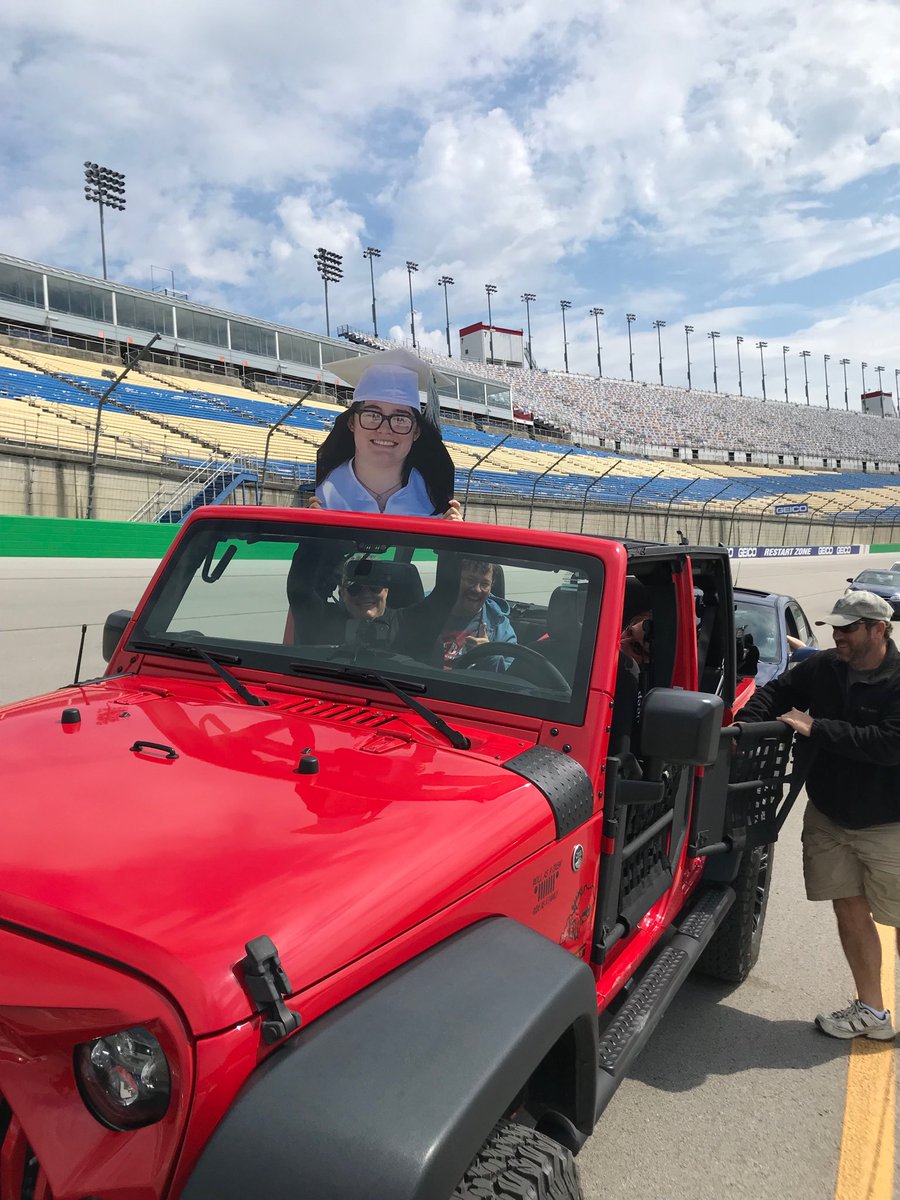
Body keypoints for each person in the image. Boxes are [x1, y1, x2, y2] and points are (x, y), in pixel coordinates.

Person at [739, 590, 900, 1040]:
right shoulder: (825, 666)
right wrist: (743, 730)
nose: (838, 636)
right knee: (848, 907)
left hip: (889, 823)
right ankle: (873, 1012)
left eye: (848, 628)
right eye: (835, 627)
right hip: (830, 816)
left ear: (878, 629)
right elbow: (777, 690)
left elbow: (889, 744)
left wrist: (817, 727)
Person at [311, 348, 461, 519]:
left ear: (416, 432)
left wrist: (454, 538)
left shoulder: (435, 502)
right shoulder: (325, 495)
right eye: (373, 415)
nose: (384, 429)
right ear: (352, 422)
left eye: (400, 418)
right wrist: (311, 535)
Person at [440, 559, 516, 670]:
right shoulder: (426, 609)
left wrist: (489, 654)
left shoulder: (499, 624)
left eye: (485, 584)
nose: (477, 589)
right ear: (455, 580)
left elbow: (511, 676)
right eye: (471, 581)